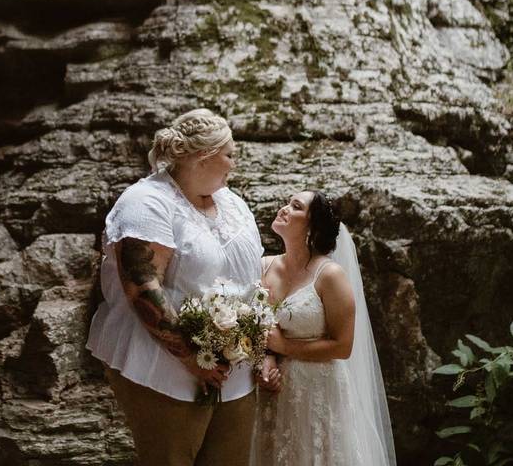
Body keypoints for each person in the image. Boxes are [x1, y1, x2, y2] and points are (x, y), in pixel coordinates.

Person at [86, 109, 264, 466]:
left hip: (236, 371)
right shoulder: (146, 202)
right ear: (203, 157)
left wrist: (258, 340)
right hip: (165, 369)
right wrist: (191, 357)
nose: (234, 163)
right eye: (229, 154)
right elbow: (142, 286)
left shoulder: (233, 203)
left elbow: (254, 274)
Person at [251, 191, 396, 466]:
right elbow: (257, 327)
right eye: (287, 202)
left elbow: (343, 346)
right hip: (274, 391)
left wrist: (284, 347)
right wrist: (266, 360)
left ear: (312, 228)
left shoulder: (329, 275)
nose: (283, 209)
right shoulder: (263, 266)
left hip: (318, 391)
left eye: (295, 207)